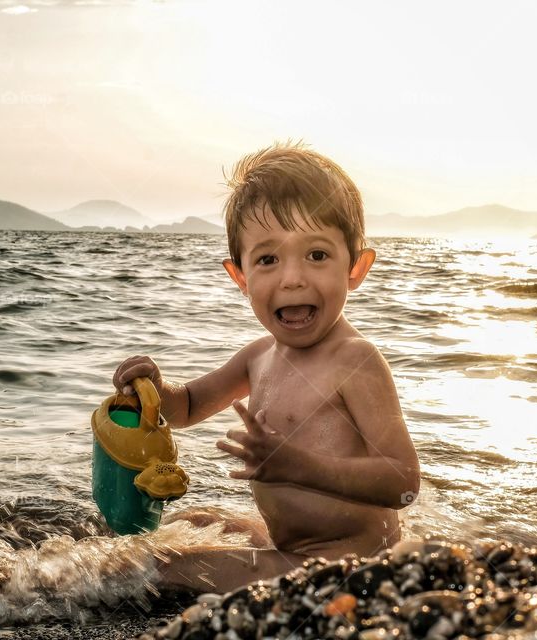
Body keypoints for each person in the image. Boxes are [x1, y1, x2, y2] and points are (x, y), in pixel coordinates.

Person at [111, 142, 420, 594]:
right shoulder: (258, 356)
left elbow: (402, 483)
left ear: (356, 267)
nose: (292, 278)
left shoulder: (356, 361)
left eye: (316, 255)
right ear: (240, 277)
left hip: (347, 565)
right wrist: (156, 391)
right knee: (191, 520)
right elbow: (189, 406)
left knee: (158, 571)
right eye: (268, 259)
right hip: (292, 546)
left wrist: (300, 466)